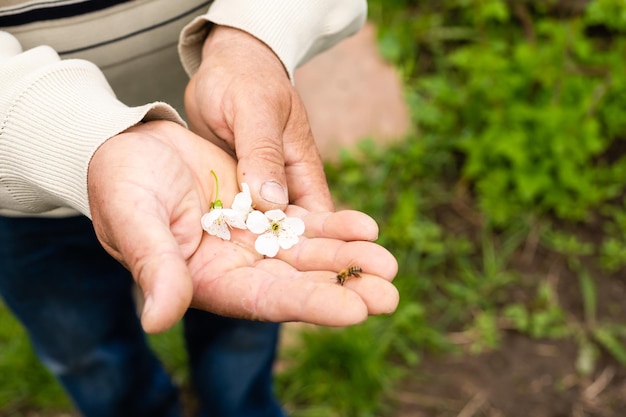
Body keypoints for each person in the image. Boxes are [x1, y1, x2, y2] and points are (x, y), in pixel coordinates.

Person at [0, 1, 400, 417]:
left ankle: (241, 407)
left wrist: (254, 38)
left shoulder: (228, 209)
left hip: (218, 146)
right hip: (29, 178)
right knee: (83, 346)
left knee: (243, 326)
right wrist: (76, 137)